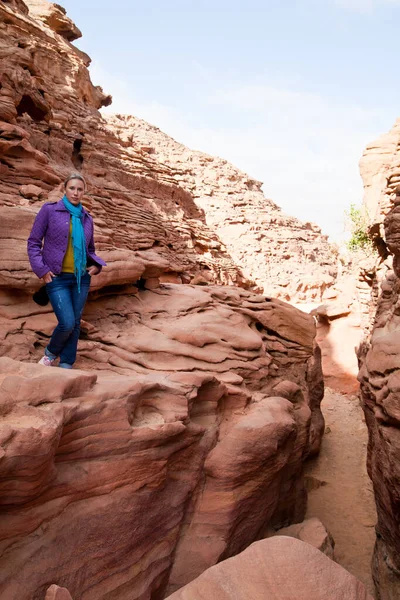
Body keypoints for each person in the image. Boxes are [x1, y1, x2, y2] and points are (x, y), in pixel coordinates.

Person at [27, 173, 106, 368]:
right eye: (72, 188)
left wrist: (96, 266)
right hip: (57, 277)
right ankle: (51, 353)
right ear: (65, 189)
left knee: (76, 323)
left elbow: (91, 249)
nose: (76, 193)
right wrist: (42, 270)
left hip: (81, 278)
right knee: (67, 322)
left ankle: (67, 362)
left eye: (80, 189)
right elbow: (33, 243)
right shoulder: (50, 210)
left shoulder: (87, 218)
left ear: (84, 192)